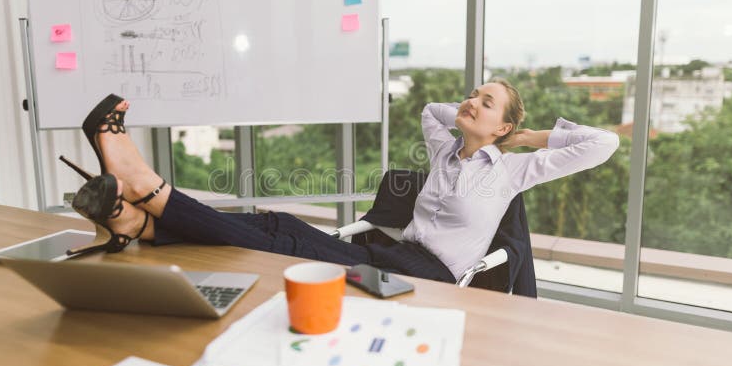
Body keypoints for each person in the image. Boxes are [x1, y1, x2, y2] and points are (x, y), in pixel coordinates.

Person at [62, 80, 619, 283]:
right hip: (395, 253)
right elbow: (431, 108)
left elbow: (603, 144)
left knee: (288, 237)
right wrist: (481, 122)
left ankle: (145, 194)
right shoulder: (444, 146)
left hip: (432, 277)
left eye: (486, 101)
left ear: (506, 123)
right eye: (473, 93)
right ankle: (141, 220)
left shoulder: (517, 169)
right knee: (279, 227)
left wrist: (522, 139)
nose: (470, 102)